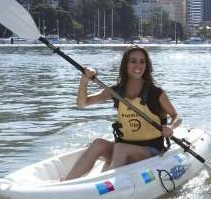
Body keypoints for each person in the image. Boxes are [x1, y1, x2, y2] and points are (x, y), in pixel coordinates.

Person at [64, 46, 181, 180]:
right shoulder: (116, 91)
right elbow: (82, 103)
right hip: (124, 149)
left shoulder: (156, 92)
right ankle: (66, 183)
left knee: (121, 148)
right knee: (98, 144)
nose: (138, 65)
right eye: (133, 61)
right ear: (125, 65)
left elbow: (176, 116)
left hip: (151, 152)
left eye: (142, 62)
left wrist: (171, 127)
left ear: (146, 66)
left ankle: (106, 185)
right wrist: (84, 80)